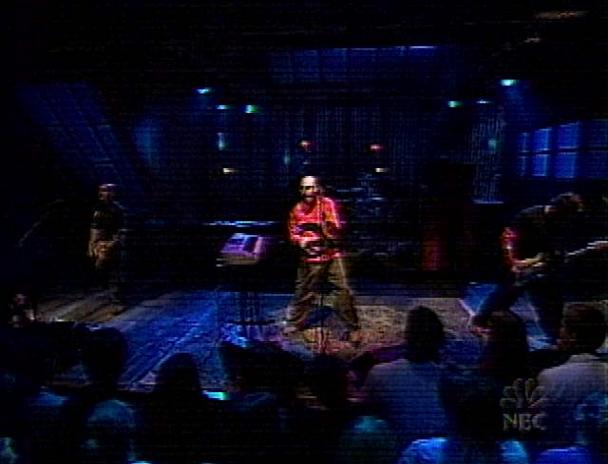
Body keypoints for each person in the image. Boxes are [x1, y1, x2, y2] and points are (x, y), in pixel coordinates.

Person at [470, 192, 586, 344]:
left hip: (542, 267)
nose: (568, 219)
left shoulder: (560, 222)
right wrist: (521, 263)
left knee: (550, 301)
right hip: (521, 264)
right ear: (557, 209)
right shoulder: (528, 217)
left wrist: (553, 257)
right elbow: (510, 243)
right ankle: (481, 322)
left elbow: (554, 246)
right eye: (567, 214)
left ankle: (555, 335)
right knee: (505, 294)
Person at [284, 175, 361, 343]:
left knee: (343, 290)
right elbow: (292, 233)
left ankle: (353, 327)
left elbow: (337, 229)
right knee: (304, 291)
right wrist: (301, 241)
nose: (306, 192)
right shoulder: (296, 210)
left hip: (332, 254)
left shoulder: (328, 204)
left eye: (310, 187)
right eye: (303, 188)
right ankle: (295, 322)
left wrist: (326, 225)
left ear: (318, 189)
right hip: (310, 256)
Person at [88, 183, 125, 304]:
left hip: (113, 241)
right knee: (100, 265)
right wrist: (92, 244)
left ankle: (116, 292)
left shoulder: (118, 210)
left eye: (110, 191)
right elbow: (94, 228)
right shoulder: (97, 209)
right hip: (100, 241)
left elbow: (121, 228)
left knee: (114, 265)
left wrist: (114, 242)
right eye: (104, 191)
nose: (107, 194)